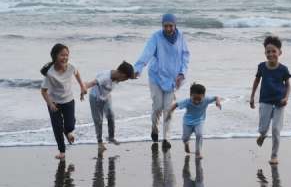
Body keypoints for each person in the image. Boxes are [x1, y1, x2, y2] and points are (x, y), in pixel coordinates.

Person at [134, 13, 191, 150]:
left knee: (168, 108)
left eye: (170, 26)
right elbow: (146, 53)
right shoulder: (156, 37)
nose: (168, 28)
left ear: (175, 25)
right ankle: (154, 128)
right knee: (158, 106)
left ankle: (166, 138)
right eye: (165, 26)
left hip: (173, 79)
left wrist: (182, 73)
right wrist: (138, 68)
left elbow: (185, 56)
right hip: (156, 76)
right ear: (162, 26)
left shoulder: (181, 37)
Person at [249, 36, 291, 165]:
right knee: (263, 128)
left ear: (280, 52)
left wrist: (286, 97)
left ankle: (274, 156)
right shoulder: (262, 67)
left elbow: (288, 85)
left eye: (274, 51)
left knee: (276, 130)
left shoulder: (283, 69)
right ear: (265, 53)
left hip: (280, 101)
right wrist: (252, 97)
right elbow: (256, 81)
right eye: (268, 51)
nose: (271, 54)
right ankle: (262, 136)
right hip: (265, 101)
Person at [40, 43, 87, 159]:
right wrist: (50, 104)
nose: (65, 57)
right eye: (62, 55)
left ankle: (68, 132)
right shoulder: (50, 73)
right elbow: (43, 91)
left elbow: (77, 73)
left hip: (68, 100)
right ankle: (62, 151)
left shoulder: (71, 66)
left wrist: (82, 86)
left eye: (67, 55)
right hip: (54, 102)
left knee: (70, 125)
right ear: (55, 56)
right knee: (57, 127)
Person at [84, 61, 135, 151]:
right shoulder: (105, 77)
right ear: (121, 73)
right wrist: (83, 87)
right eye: (124, 78)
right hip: (95, 98)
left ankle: (111, 138)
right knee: (98, 120)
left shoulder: (118, 76)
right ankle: (100, 142)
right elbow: (92, 83)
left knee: (111, 115)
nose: (123, 81)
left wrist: (133, 75)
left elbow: (130, 75)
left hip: (106, 97)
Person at [165, 83, 222, 159]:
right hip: (187, 122)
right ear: (190, 95)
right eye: (194, 99)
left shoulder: (206, 99)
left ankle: (198, 153)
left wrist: (218, 102)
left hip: (199, 121)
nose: (197, 101)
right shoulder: (187, 101)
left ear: (203, 96)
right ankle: (186, 143)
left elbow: (216, 97)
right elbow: (176, 104)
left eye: (199, 99)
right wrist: (169, 113)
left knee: (199, 134)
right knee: (185, 138)